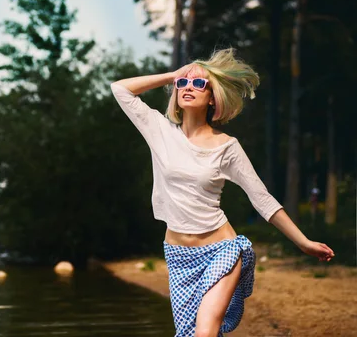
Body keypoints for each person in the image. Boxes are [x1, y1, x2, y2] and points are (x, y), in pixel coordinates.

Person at [110, 48, 334, 337]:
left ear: (212, 97)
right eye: (184, 83)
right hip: (178, 255)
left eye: (199, 83)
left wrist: (303, 242)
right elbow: (120, 89)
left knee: (205, 331)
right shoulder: (159, 130)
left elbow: (262, 199)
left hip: (222, 250)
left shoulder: (227, 147)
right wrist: (172, 74)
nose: (189, 86)